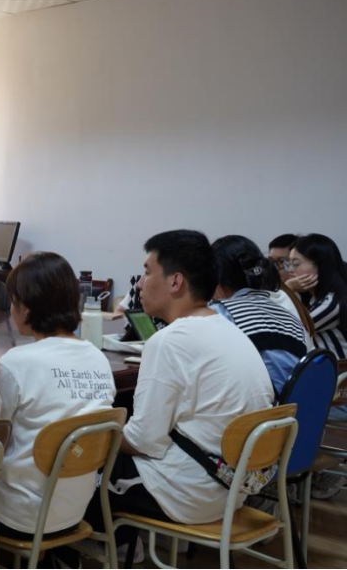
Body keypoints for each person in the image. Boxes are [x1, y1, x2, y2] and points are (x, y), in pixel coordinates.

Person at [88, 230, 273, 539]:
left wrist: (96, 434)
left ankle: (99, 549)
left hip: (188, 494)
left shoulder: (170, 340)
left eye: (147, 272)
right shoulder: (229, 330)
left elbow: (144, 442)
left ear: (175, 282)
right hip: (230, 489)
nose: (139, 283)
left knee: (70, 463)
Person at [0, 252, 115, 540]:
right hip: (75, 511)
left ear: (25, 308)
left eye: (12, 301)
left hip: (18, 516)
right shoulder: (97, 358)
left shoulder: (16, 363)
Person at [210, 235, 308, 393]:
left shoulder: (220, 313)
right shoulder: (286, 313)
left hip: (262, 405)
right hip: (299, 402)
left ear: (216, 278)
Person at [286, 234, 347, 360]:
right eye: (288, 263)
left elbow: (287, 331)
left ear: (320, 265)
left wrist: (287, 289)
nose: (290, 270)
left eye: (296, 264)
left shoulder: (331, 303)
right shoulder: (311, 298)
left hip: (340, 369)